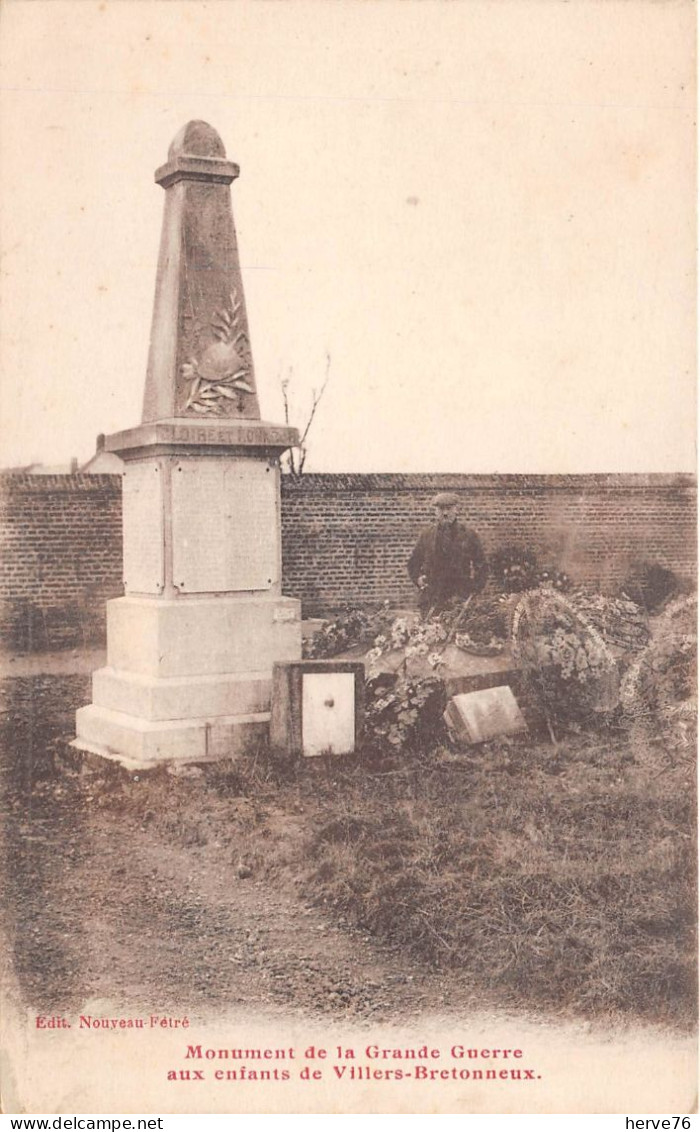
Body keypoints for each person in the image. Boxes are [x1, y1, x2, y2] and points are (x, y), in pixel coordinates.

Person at [407, 492, 487, 615]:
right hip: (432, 597)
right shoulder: (426, 535)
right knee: (430, 632)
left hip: (459, 598)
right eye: (440, 509)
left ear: (457, 510)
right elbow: (413, 563)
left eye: (449, 509)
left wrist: (473, 590)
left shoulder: (469, 535)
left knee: (459, 633)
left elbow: (481, 566)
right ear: (435, 512)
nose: (445, 513)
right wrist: (418, 579)